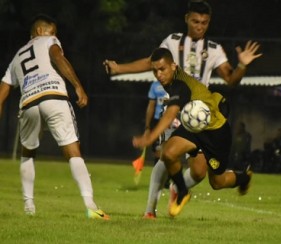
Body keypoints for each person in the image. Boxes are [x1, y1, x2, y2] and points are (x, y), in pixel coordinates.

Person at [104, 0, 262, 219]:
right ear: (187, 18)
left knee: (207, 176)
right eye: (196, 21)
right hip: (186, 115)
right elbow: (151, 62)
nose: (200, 26)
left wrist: (242, 65)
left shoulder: (214, 49)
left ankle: (240, 179)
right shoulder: (173, 42)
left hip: (205, 118)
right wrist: (120, 68)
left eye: (204, 23)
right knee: (167, 155)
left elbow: (231, 79)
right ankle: (152, 209)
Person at [0, 14, 109, 220]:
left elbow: (2, 93)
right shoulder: (49, 41)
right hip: (54, 97)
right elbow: (58, 58)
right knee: (73, 151)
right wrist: (78, 86)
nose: (55, 36)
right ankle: (91, 206)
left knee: (27, 153)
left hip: (29, 103)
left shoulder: (17, 56)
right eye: (53, 32)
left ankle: (29, 207)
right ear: (41, 31)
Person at [133, 47, 252, 217]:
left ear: (173, 66)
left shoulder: (182, 81)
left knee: (217, 182)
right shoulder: (172, 73)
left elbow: (172, 112)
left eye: (162, 69)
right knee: (168, 153)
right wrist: (118, 68)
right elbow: (147, 62)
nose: (158, 74)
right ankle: (182, 192)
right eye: (155, 70)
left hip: (216, 132)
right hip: (194, 125)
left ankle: (244, 178)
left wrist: (150, 137)